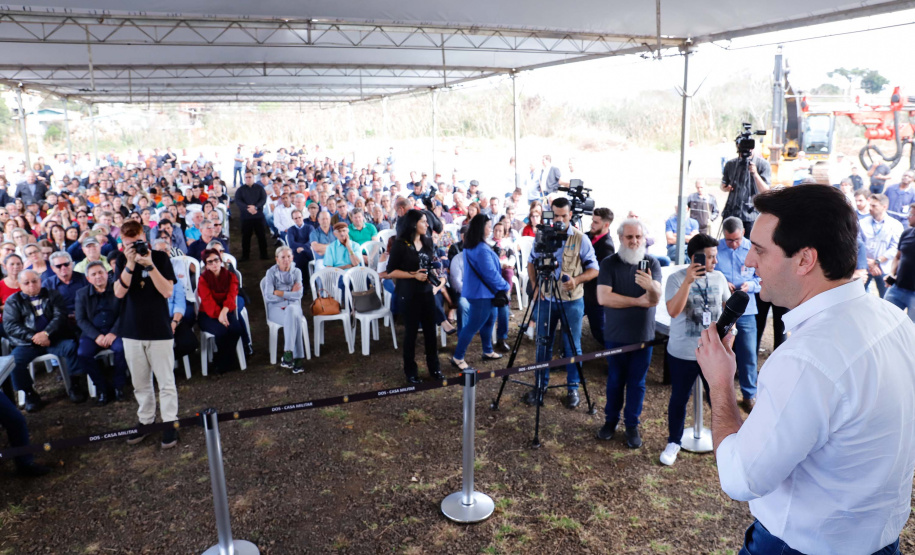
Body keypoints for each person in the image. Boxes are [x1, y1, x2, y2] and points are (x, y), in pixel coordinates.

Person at [696, 184, 915, 555]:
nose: (749, 261)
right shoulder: (896, 321)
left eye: (760, 250)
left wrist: (720, 384)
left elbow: (740, 478)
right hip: (880, 542)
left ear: (804, 260)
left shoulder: (805, 359)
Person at [659, 233, 728, 466]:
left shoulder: (719, 277)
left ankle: (725, 444)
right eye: (709, 257)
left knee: (717, 398)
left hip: (712, 353)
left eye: (715, 257)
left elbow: (728, 307)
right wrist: (688, 281)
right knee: (679, 398)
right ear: (695, 258)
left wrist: (731, 335)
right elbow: (674, 311)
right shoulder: (677, 279)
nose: (715, 262)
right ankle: (673, 442)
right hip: (683, 352)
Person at [526, 197, 599, 409]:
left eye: (563, 216)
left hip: (571, 301)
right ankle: (540, 386)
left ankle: (573, 388)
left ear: (570, 216)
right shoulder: (542, 235)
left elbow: (594, 269)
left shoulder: (580, 238)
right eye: (555, 215)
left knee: (572, 345)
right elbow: (531, 261)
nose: (559, 220)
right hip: (546, 298)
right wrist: (534, 284)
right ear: (550, 214)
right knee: (543, 342)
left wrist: (576, 280)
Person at [113, 220, 180, 449]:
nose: (133, 247)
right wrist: (130, 264)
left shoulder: (160, 258)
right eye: (128, 244)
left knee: (166, 381)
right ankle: (146, 420)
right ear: (122, 243)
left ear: (145, 237)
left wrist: (149, 265)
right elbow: (119, 293)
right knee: (140, 382)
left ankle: (170, 422)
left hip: (159, 329)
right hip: (132, 330)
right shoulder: (122, 260)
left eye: (137, 242)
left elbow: (168, 291)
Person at [595, 218, 661, 447]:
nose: (634, 241)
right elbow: (603, 297)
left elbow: (655, 300)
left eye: (638, 237)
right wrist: (637, 301)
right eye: (629, 237)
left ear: (644, 239)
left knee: (637, 383)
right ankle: (610, 421)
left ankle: (632, 425)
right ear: (620, 238)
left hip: (643, 336)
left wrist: (651, 288)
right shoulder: (609, 263)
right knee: (614, 381)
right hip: (615, 335)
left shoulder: (652, 263)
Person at [4, 270, 86, 412]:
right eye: (26, 283)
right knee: (14, 361)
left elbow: (60, 316)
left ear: (40, 281)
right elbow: (11, 326)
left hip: (54, 338)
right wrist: (35, 337)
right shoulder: (13, 301)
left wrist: (46, 334)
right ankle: (29, 394)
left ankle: (75, 384)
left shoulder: (52, 294)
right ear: (19, 284)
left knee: (71, 346)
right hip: (27, 343)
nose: (31, 285)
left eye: (34, 281)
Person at [386, 210, 444, 384]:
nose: (427, 225)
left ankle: (434, 368)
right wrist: (413, 275)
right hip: (408, 294)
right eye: (424, 222)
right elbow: (391, 271)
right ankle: (411, 372)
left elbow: (428, 264)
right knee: (410, 334)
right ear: (413, 224)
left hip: (426, 293)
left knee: (430, 333)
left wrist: (435, 275)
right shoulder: (400, 244)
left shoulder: (427, 242)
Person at [450, 214, 508, 370]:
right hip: (482, 294)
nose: (490, 229)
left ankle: (487, 350)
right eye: (489, 226)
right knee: (472, 326)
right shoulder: (480, 249)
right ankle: (458, 357)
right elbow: (490, 273)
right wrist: (505, 286)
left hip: (484, 292)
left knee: (489, 321)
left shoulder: (474, 245)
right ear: (481, 228)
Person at [715, 217, 760, 411]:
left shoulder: (755, 248)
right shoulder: (715, 249)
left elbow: (763, 278)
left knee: (749, 353)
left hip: (747, 311)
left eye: (736, 240)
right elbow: (708, 274)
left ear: (743, 232)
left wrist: (751, 285)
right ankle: (718, 393)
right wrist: (723, 282)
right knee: (720, 352)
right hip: (723, 310)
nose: (733, 244)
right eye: (729, 240)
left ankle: (749, 394)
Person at [75, 261, 128, 406]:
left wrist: (114, 333)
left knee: (122, 349)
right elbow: (80, 319)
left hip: (115, 331)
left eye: (100, 272)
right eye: (93, 274)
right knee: (83, 353)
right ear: (88, 279)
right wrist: (96, 336)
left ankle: (119, 386)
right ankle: (102, 388)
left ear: (107, 274)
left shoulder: (117, 289)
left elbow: (124, 313)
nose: (98, 276)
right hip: (93, 333)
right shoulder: (82, 294)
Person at [197, 248, 245, 374]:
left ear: (221, 260)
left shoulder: (230, 276)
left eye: (216, 260)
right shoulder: (203, 279)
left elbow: (232, 295)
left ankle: (225, 359)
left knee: (236, 329)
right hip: (208, 314)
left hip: (226, 310)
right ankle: (223, 362)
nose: (214, 264)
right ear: (206, 265)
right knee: (222, 332)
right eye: (210, 262)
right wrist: (220, 315)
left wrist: (224, 312)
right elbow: (207, 301)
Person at [152, 238, 197, 365]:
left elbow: (180, 302)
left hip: (173, 319)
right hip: (156, 321)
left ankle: (167, 361)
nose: (163, 253)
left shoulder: (173, 275)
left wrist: (175, 322)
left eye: (166, 250)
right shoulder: (148, 276)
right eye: (160, 251)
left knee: (191, 344)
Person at [264, 246, 308, 374]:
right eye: (283, 257)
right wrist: (289, 292)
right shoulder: (271, 272)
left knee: (291, 311)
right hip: (275, 308)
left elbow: (299, 295)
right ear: (277, 259)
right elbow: (269, 296)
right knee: (295, 320)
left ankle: (288, 353)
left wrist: (279, 292)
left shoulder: (297, 272)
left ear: (292, 258)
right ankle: (298, 360)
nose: (286, 260)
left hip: (293, 307)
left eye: (289, 256)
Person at [859, 193, 903, 298]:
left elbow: (895, 248)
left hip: (884, 268)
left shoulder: (895, 225)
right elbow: (858, 244)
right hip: (865, 267)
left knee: (885, 299)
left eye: (874, 206)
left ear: (885, 207)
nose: (870, 208)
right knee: (858, 296)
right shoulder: (861, 223)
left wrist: (876, 262)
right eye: (870, 205)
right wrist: (868, 262)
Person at [720, 148, 771, 237]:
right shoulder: (730, 164)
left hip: (752, 214)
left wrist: (755, 174)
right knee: (731, 243)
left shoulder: (763, 164)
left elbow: (765, 191)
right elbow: (723, 185)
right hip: (732, 212)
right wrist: (725, 188)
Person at [583, 207, 616, 344]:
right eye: (592, 220)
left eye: (596, 222)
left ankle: (614, 354)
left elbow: (599, 274)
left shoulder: (607, 247)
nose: (592, 224)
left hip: (594, 295)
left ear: (606, 225)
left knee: (600, 331)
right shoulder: (588, 236)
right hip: (583, 292)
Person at [885, 202, 915, 321]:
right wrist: (892, 273)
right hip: (897, 288)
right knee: (884, 319)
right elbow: (898, 257)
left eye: (911, 214)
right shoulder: (906, 233)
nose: (908, 216)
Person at [234, 172, 268, 261]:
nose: (248, 179)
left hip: (258, 216)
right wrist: (247, 208)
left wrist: (255, 207)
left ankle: (264, 254)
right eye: (246, 177)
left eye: (249, 177)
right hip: (246, 216)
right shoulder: (240, 190)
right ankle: (245, 256)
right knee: (246, 237)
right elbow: (238, 201)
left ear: (253, 178)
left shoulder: (260, 188)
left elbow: (263, 199)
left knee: (261, 236)